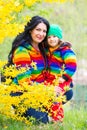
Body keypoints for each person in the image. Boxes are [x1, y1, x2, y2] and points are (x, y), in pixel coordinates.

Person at [7, 15, 50, 124]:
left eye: (44, 31)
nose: (41, 34)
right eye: (38, 29)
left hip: (38, 91)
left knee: (67, 92)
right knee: (42, 122)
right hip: (21, 93)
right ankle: (21, 111)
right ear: (30, 30)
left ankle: (39, 110)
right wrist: (49, 90)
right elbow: (25, 83)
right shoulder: (22, 50)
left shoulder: (42, 48)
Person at [45, 24, 77, 121]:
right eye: (49, 37)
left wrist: (64, 77)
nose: (51, 39)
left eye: (54, 36)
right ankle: (49, 116)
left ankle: (58, 120)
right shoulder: (46, 49)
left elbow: (72, 65)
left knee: (56, 96)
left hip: (61, 79)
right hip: (50, 79)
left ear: (59, 37)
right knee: (47, 96)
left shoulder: (64, 50)